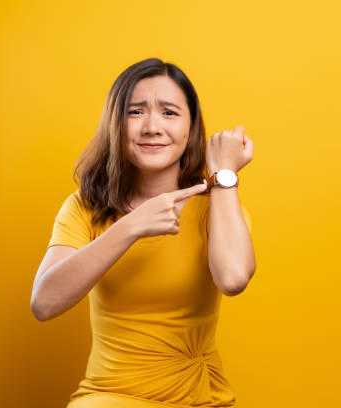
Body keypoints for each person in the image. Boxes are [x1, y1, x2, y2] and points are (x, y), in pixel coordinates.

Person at [30, 57, 256, 407]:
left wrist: (223, 174)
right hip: (109, 396)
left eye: (169, 113)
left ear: (191, 129)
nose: (152, 126)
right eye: (135, 112)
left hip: (199, 397)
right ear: (115, 125)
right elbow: (44, 303)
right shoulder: (84, 207)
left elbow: (233, 278)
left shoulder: (218, 208)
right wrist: (132, 225)